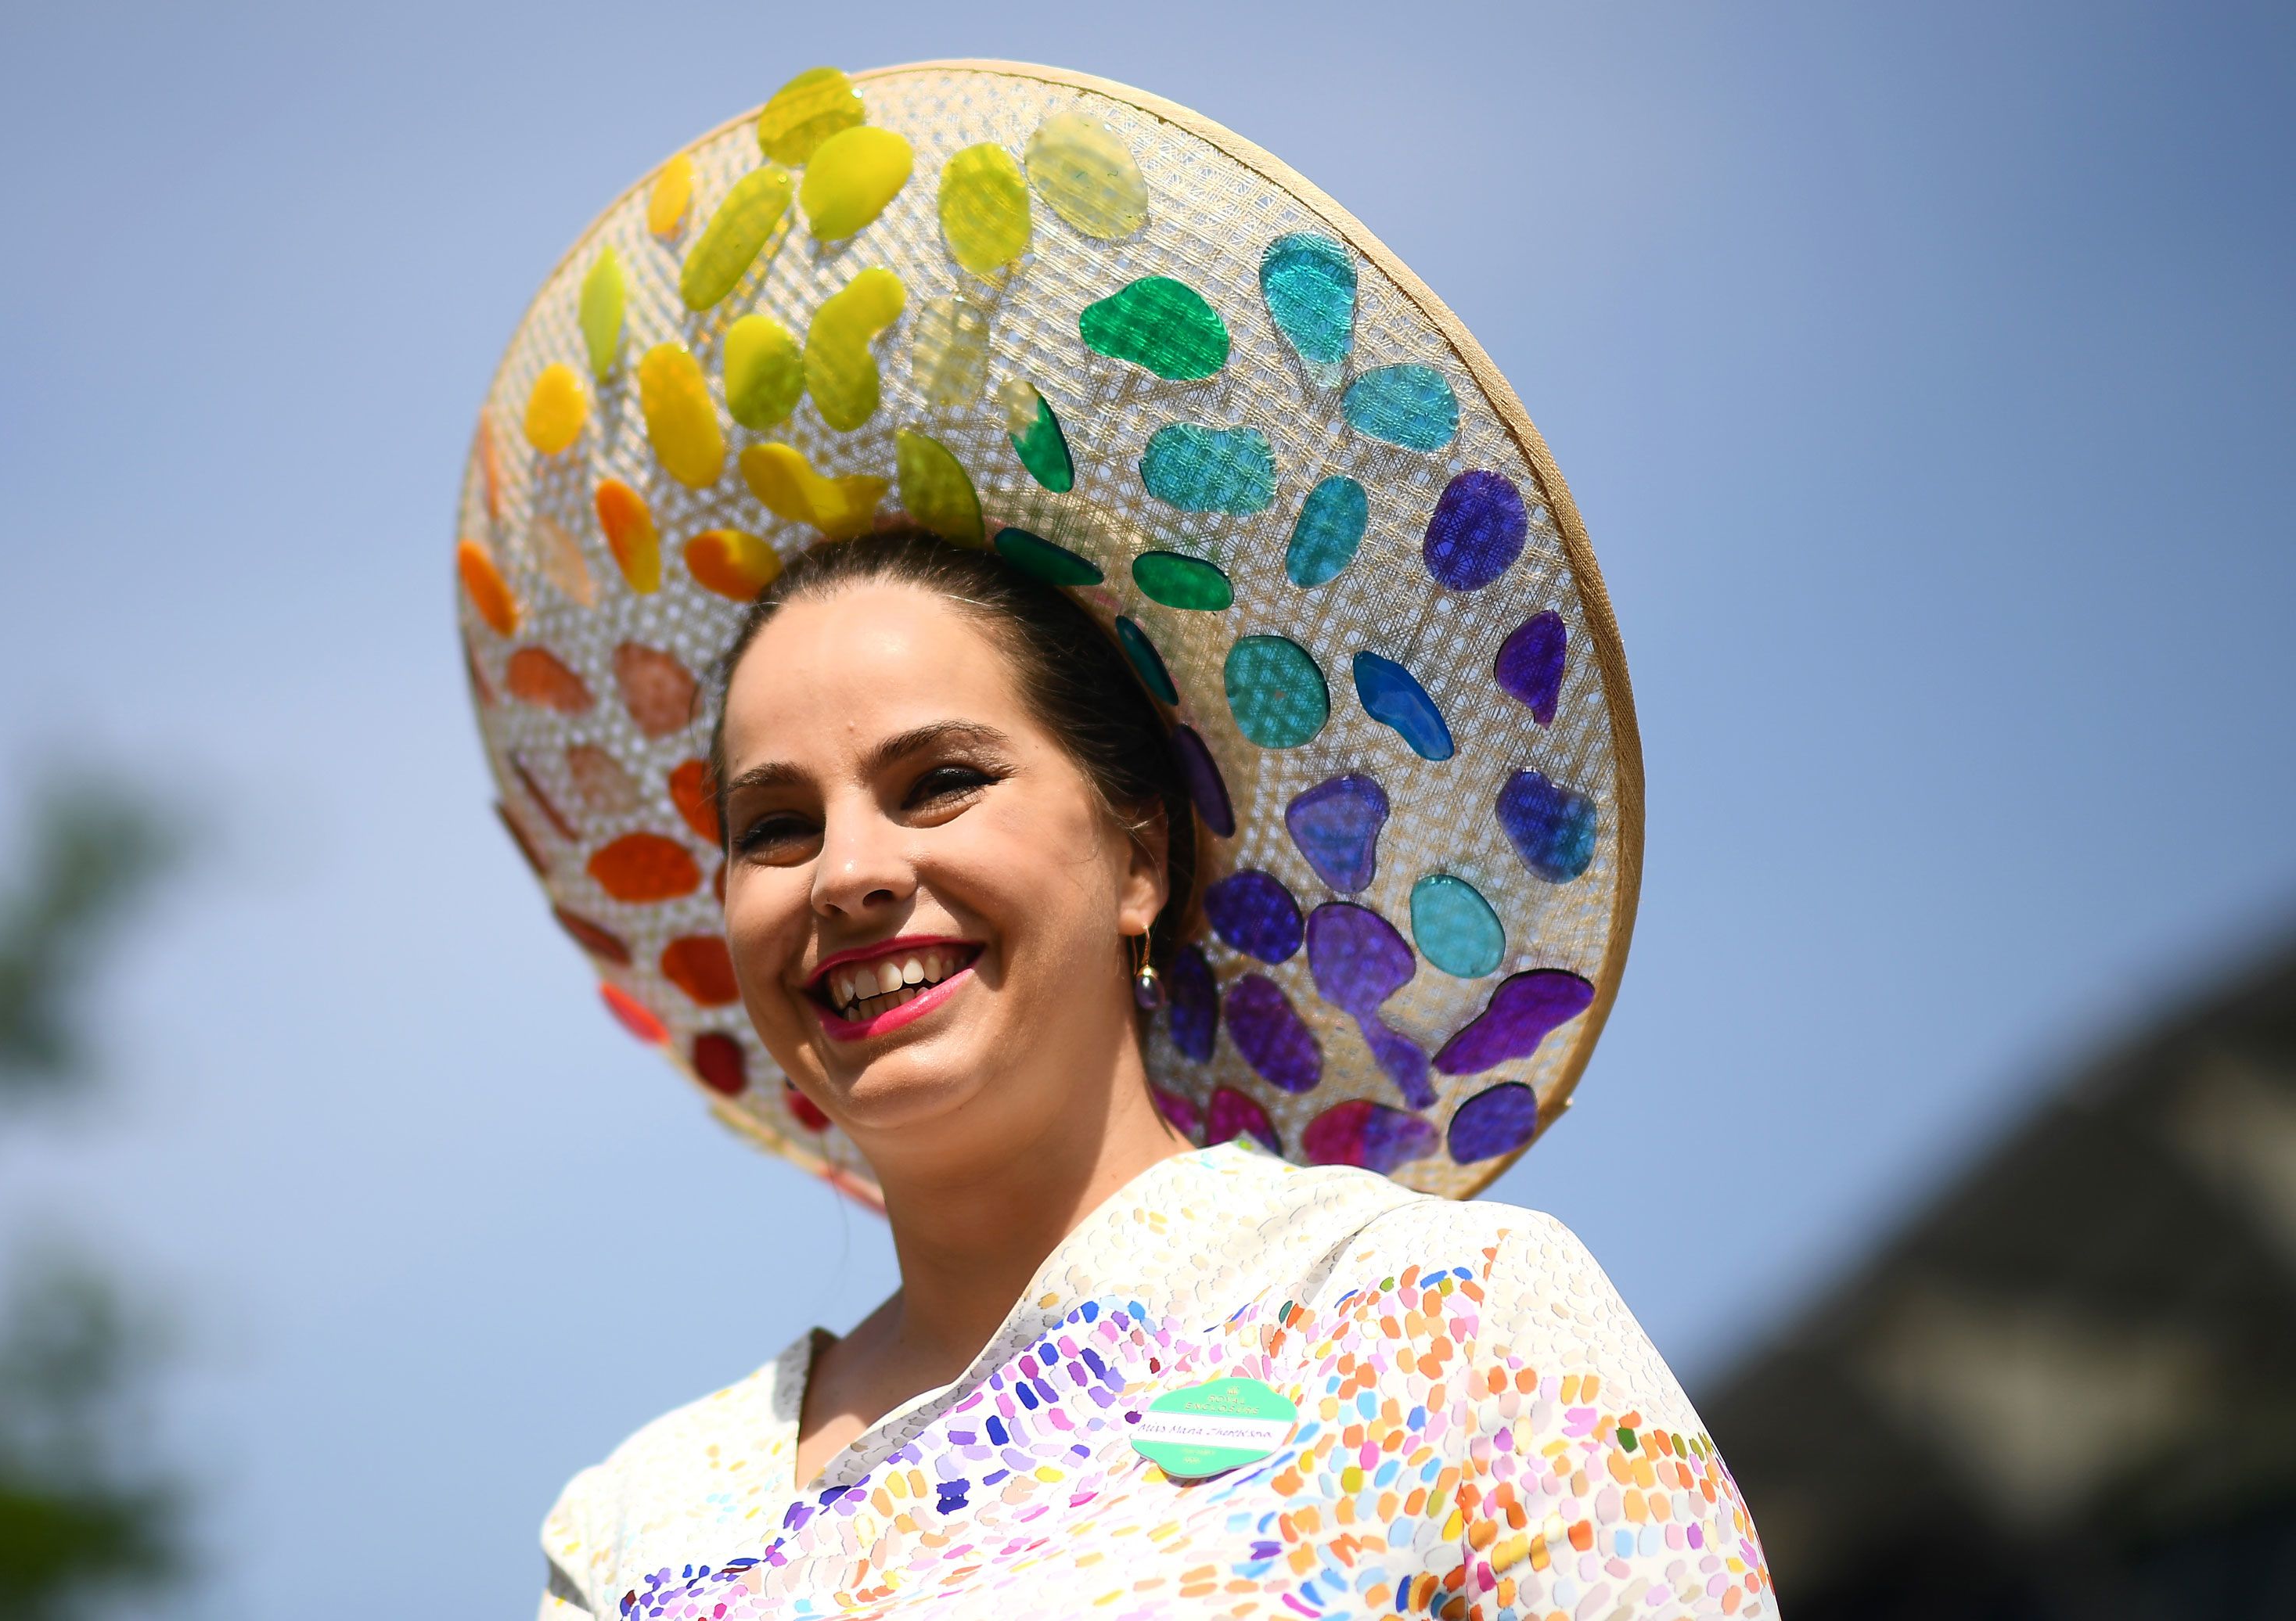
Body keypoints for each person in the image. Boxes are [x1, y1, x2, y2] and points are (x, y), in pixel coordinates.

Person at [459, 62, 1777, 1620]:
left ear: (1139, 856)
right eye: (775, 824)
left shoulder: (1444, 1327)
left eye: (939, 779)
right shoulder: (632, 1534)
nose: (852, 871)